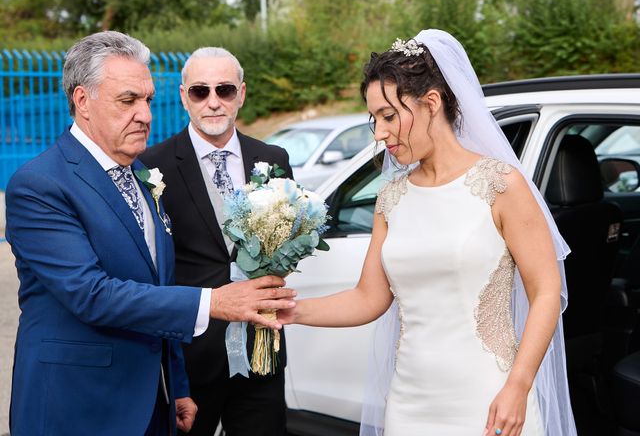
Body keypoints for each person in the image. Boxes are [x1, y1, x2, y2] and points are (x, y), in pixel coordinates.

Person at [279, 29, 577, 436]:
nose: (380, 133)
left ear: (431, 103)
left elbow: (545, 292)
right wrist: (291, 312)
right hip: (409, 405)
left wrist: (519, 385)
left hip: (488, 399)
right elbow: (368, 298)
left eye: (389, 116)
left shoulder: (501, 185)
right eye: (374, 120)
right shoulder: (391, 199)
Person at [6, 31, 295, 436]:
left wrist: (175, 386)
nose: (145, 115)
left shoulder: (143, 178)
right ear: (82, 101)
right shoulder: (39, 185)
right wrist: (213, 302)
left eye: (148, 100)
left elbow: (158, 284)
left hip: (151, 405)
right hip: (78, 406)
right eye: (128, 101)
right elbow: (91, 294)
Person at [141, 47, 293, 436]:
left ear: (241, 94)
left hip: (262, 349)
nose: (213, 102)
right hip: (191, 358)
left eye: (224, 90)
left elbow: (289, 241)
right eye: (200, 91)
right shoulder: (151, 166)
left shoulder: (273, 158)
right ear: (182, 97)